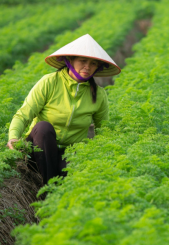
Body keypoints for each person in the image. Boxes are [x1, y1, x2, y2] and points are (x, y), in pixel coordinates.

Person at [7, 34, 121, 185]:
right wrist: (13, 136)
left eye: (93, 63)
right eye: (83, 61)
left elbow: (104, 130)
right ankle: (47, 192)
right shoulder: (49, 82)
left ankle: (56, 196)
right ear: (70, 60)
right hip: (38, 151)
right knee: (43, 127)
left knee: (68, 171)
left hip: (69, 153)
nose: (88, 66)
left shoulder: (98, 94)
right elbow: (23, 114)